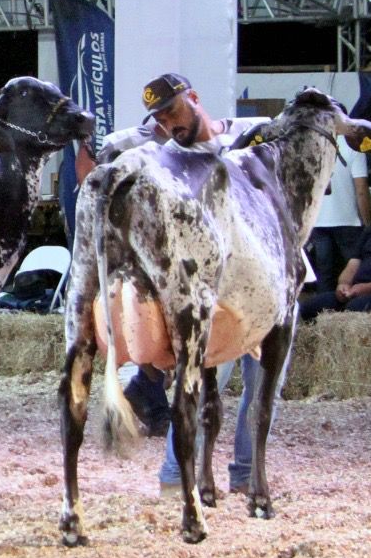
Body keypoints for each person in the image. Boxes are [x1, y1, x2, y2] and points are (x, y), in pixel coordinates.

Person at [102, 72, 271, 495]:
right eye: (159, 120)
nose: (168, 125)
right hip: (215, 292)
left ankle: (247, 474)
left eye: (172, 111)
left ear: (194, 97)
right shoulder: (168, 161)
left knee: (263, 388)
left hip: (269, 281)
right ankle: (175, 476)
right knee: (198, 382)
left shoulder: (250, 134)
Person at [299, 173, 371, 318]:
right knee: (310, 307)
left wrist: (368, 288)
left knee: (356, 308)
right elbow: (353, 264)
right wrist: (343, 285)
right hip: (356, 292)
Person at [305, 130, 371, 294]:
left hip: (318, 221)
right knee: (353, 266)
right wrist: (368, 223)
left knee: (324, 270)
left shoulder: (311, 146)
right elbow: (361, 189)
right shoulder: (353, 146)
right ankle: (355, 302)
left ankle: (324, 309)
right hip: (349, 220)